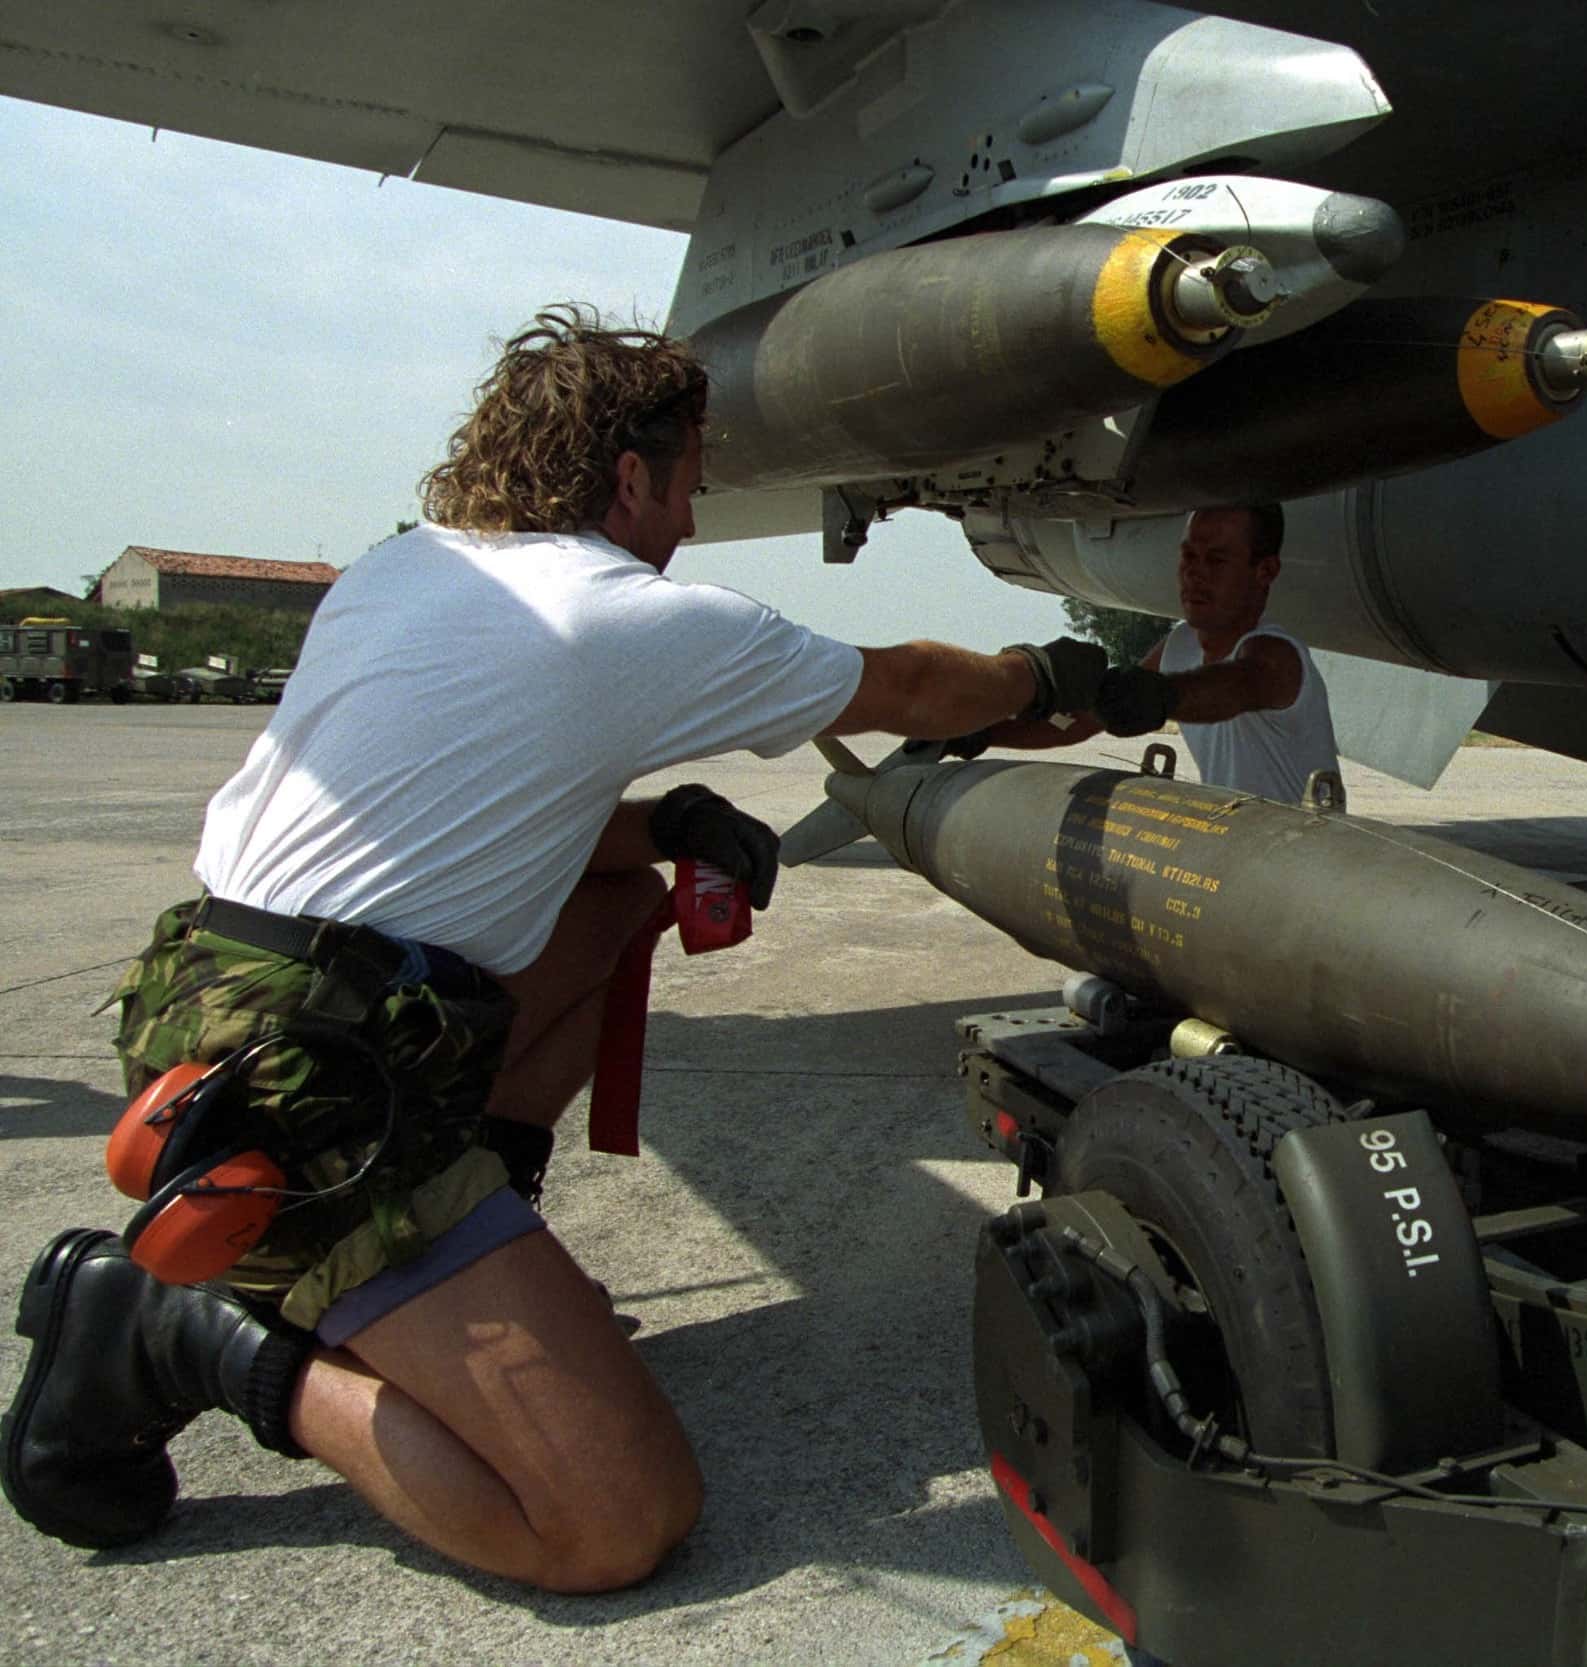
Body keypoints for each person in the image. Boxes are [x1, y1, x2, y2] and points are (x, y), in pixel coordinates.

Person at [0, 305, 1106, 1593]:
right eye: (689, 485)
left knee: (616, 893)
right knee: (614, 1520)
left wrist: (661, 823)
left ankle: (477, 1212)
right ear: (630, 476)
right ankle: (179, 1330)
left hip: (220, 998)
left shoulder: (403, 569)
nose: (688, 520)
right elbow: (913, 687)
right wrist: (1039, 674)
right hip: (318, 1099)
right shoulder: (624, 614)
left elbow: (454, 819)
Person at [975, 503, 1341, 803]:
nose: (1194, 574)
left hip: (1300, 857)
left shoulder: (1276, 656)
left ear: (1265, 571)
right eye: (1189, 556)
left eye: (1216, 561)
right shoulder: (1182, 644)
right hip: (1237, 845)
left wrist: (1157, 697)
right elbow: (1081, 722)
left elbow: (1232, 689)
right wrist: (980, 732)